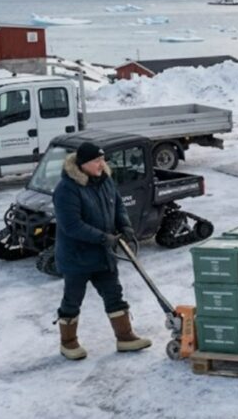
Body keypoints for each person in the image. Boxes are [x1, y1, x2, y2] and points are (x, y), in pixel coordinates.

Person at [52, 141, 151, 360]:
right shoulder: (66, 189)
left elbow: (118, 206)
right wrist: (103, 237)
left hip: (103, 254)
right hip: (77, 257)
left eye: (102, 159)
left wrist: (125, 226)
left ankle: (125, 337)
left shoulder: (105, 180)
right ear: (83, 164)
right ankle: (68, 342)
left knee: (114, 294)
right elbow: (72, 225)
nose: (102, 164)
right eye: (96, 160)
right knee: (72, 300)